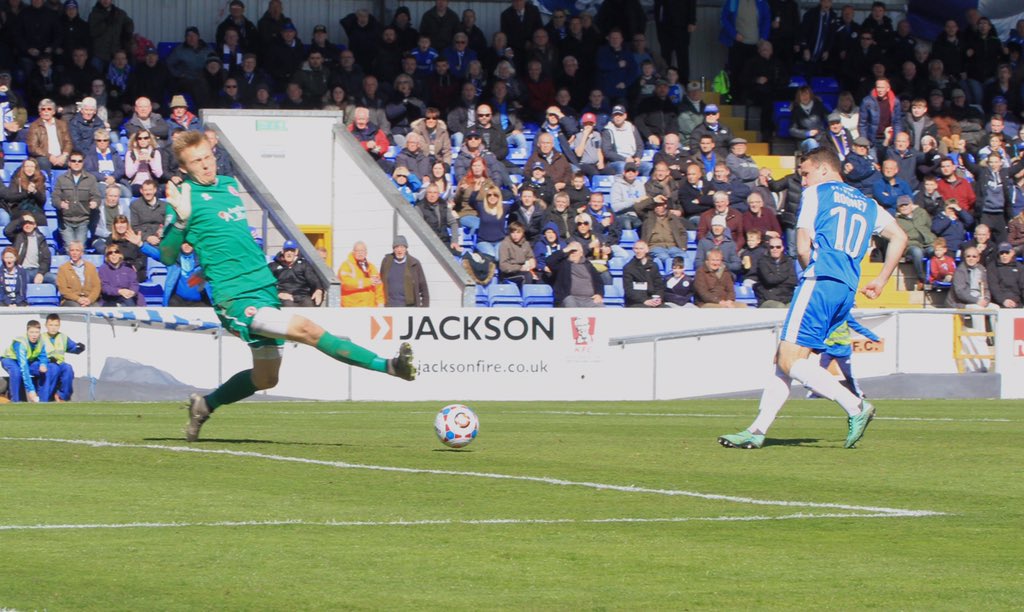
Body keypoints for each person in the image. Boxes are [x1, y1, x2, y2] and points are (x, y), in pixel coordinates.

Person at [159, 131, 415, 441]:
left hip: (264, 286)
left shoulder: (228, 186)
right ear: (184, 168)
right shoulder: (183, 198)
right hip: (237, 299)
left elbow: (224, 236)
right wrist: (182, 224)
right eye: (196, 161)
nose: (205, 165)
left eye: (208, 157)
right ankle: (389, 366)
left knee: (267, 379)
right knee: (308, 329)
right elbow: (167, 255)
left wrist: (207, 264)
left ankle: (205, 405)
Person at [718, 147, 907, 450]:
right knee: (786, 358)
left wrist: (811, 274)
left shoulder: (818, 193)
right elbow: (900, 237)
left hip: (821, 280)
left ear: (822, 169)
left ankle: (855, 405)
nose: (803, 181)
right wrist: (882, 280)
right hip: (845, 289)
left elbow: (803, 246)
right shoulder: (868, 203)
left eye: (805, 173)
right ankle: (757, 429)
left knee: (790, 359)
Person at [816, 315, 880, 399]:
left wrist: (874, 338)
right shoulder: (827, 314)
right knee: (820, 372)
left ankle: (858, 393)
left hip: (843, 350)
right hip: (828, 349)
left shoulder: (845, 315)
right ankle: (814, 394)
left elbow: (858, 327)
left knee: (848, 374)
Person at [52, 150, 101, 249]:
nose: (76, 163)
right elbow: (54, 198)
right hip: (65, 221)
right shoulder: (61, 179)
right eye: (74, 161)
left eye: (79, 161)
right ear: (69, 163)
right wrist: (60, 203)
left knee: (79, 249)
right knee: (70, 249)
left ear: (83, 163)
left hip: (83, 220)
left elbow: (97, 196)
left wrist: (95, 202)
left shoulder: (91, 179)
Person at [2, 319, 51, 402]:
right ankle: (15, 401)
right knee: (16, 371)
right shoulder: (21, 343)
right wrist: (30, 390)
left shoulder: (41, 341)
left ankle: (42, 400)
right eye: (31, 332)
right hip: (10, 360)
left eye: (36, 332)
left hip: (27, 361)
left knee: (45, 370)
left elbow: (43, 355)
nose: (34, 335)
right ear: (27, 332)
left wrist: (43, 364)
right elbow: (24, 367)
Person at [39, 313, 84, 402]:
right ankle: (47, 398)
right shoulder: (41, 337)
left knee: (68, 368)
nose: (53, 327)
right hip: (46, 364)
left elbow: (72, 347)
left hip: (60, 363)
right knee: (53, 369)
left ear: (59, 325)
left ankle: (62, 396)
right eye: (51, 325)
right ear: (46, 325)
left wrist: (79, 348)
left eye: (56, 325)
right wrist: (47, 360)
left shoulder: (63, 337)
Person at [544, 241, 604, 307]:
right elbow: (549, 261)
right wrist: (565, 250)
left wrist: (599, 294)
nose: (573, 253)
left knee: (600, 307)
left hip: (589, 299)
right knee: (570, 302)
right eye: (571, 251)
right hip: (570, 298)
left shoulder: (588, 265)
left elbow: (599, 282)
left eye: (575, 250)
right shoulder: (562, 264)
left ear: (581, 253)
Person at [268, 240, 325, 307]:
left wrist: (318, 290)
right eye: (287, 250)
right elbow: (267, 283)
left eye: (292, 250)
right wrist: (278, 294)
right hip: (283, 295)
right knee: (288, 305)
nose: (289, 253)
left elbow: (313, 279)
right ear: (283, 251)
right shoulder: (273, 266)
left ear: (296, 252)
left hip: (303, 295)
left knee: (309, 304)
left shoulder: (304, 264)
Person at [379, 235, 429, 307]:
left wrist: (424, 308)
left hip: (409, 307)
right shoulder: (386, 261)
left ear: (406, 248)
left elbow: (423, 288)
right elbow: (380, 283)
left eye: (402, 247)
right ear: (393, 249)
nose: (399, 250)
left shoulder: (414, 263)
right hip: (390, 306)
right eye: (397, 247)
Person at [338, 240, 384, 307]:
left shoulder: (371, 267)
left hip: (370, 308)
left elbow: (378, 286)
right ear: (353, 252)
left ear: (366, 253)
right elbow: (346, 284)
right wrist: (368, 281)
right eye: (357, 251)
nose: (360, 253)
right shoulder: (346, 265)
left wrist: (381, 303)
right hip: (352, 308)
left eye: (362, 251)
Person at [755, 237, 798, 307]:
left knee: (793, 308)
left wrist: (775, 277)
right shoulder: (762, 262)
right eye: (772, 247)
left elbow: (793, 281)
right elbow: (769, 280)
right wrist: (785, 275)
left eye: (778, 247)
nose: (775, 249)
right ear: (768, 248)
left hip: (787, 298)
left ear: (782, 248)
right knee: (779, 306)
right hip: (768, 299)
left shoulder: (788, 261)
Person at [55, 241, 101, 307]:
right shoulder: (63, 269)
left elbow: (96, 287)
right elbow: (63, 290)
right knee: (77, 308)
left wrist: (89, 299)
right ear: (69, 253)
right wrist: (78, 299)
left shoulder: (91, 267)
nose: (74, 253)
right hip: (70, 300)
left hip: (88, 299)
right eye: (72, 250)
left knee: (97, 308)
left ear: (82, 253)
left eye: (77, 250)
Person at [622, 240, 665, 308]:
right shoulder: (628, 268)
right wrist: (644, 301)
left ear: (647, 250)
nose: (638, 251)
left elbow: (659, 286)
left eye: (641, 249)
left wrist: (658, 298)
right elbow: (629, 291)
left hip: (652, 300)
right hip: (636, 302)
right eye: (636, 248)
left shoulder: (654, 266)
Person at [986, 242, 1024, 308]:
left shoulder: (1019, 267)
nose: (1004, 255)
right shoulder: (992, 267)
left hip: (1017, 301)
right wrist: (1003, 300)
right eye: (1002, 253)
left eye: (1007, 252)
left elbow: (1022, 286)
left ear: (1012, 253)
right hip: (999, 302)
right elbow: (994, 287)